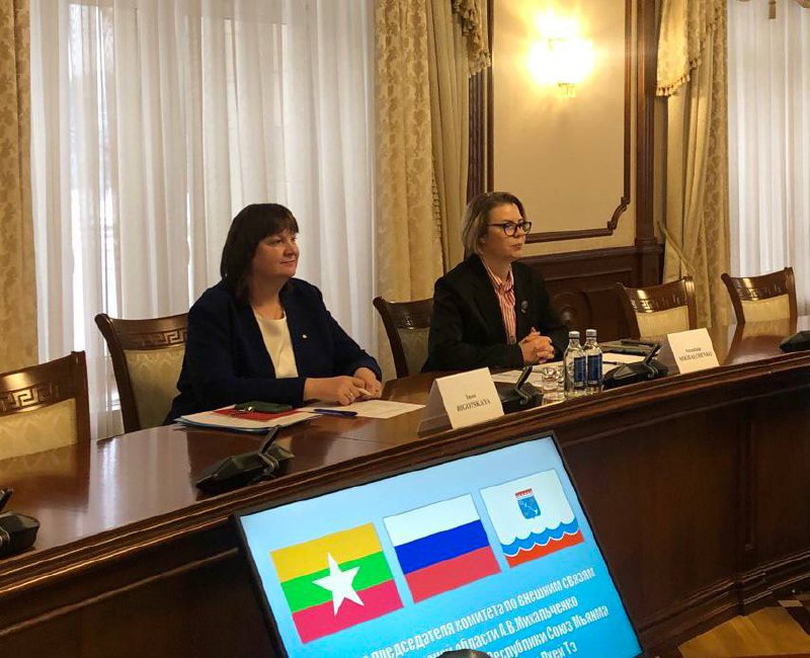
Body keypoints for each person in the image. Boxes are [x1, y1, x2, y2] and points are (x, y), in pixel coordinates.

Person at [166, 203, 382, 421]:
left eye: (293, 239)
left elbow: (352, 356)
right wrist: (309, 388)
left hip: (298, 426)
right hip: (213, 433)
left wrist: (364, 372)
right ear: (247, 252)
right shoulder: (214, 308)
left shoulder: (305, 297)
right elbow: (218, 391)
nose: (291, 250)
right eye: (277, 241)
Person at [423, 191, 568, 371]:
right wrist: (517, 354)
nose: (519, 233)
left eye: (521, 225)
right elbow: (444, 353)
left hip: (520, 379)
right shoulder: (455, 286)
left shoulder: (529, 278)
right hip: (472, 384)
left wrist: (545, 346)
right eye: (508, 226)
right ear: (481, 235)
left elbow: (560, 332)